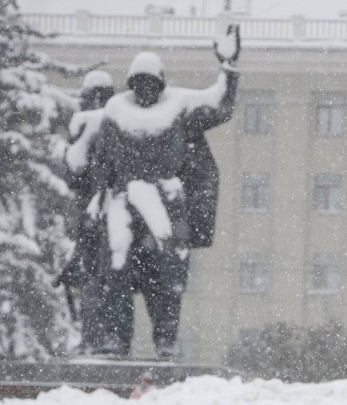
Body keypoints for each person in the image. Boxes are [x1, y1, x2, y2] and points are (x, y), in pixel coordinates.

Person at [89, 27, 240, 359]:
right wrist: (96, 199)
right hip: (124, 201)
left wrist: (228, 67)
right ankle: (116, 338)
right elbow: (102, 161)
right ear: (131, 83)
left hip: (165, 202)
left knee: (168, 275)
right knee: (117, 271)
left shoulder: (179, 105)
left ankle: (166, 340)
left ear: (160, 84)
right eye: (139, 82)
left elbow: (220, 107)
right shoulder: (116, 110)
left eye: (151, 82)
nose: (145, 88)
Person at [59, 70, 117, 352]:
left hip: (110, 213)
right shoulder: (82, 128)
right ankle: (93, 336)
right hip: (89, 217)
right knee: (89, 279)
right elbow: (72, 175)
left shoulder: (115, 126)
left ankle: (101, 337)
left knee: (100, 279)